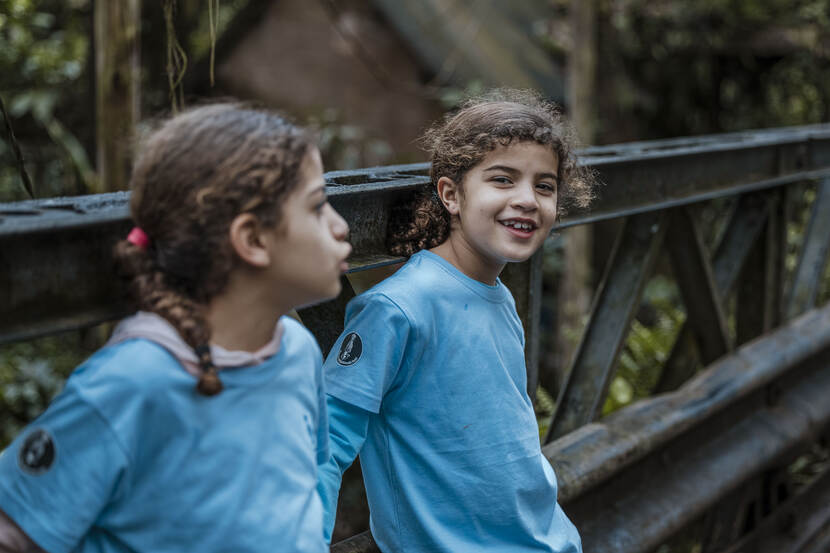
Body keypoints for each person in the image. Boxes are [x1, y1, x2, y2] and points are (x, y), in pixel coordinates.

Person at [0, 103, 351, 553]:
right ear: (253, 239)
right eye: (318, 205)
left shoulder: (298, 351)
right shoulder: (130, 382)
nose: (341, 226)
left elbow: (306, 486)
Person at [318, 90, 593, 552]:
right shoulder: (398, 308)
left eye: (544, 186)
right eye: (503, 180)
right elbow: (327, 442)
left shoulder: (500, 297)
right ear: (451, 195)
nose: (527, 199)